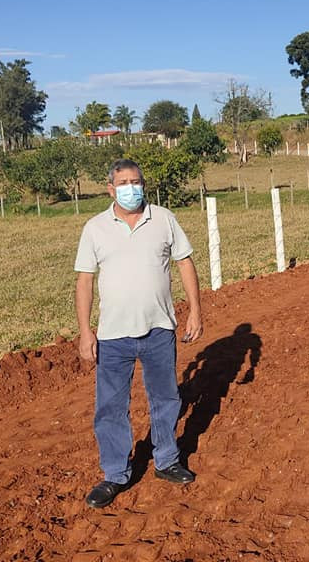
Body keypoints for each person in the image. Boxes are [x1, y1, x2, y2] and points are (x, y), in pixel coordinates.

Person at [75, 158, 203, 509]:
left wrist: (195, 309)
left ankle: (166, 460)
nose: (131, 188)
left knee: (165, 398)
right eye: (123, 182)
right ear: (110, 188)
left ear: (144, 184)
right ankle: (115, 473)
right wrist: (86, 331)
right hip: (113, 334)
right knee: (111, 407)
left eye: (136, 181)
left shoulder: (163, 219)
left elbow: (185, 262)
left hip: (159, 328)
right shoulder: (95, 228)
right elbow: (84, 280)